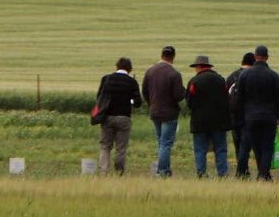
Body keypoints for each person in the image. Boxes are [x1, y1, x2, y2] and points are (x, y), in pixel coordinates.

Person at [237, 45, 279, 180]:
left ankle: (262, 173)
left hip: (251, 116)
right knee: (267, 146)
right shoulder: (273, 75)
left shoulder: (245, 74)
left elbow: (240, 98)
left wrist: (242, 116)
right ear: (267, 58)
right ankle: (264, 174)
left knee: (256, 146)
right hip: (269, 116)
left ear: (255, 56)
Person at [95, 57, 142, 175]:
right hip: (124, 117)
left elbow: (99, 98)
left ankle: (103, 171)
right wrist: (129, 101)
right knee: (121, 148)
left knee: (105, 146)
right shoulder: (132, 82)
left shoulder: (106, 79)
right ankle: (119, 172)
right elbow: (138, 103)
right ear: (129, 69)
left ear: (117, 67)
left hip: (107, 117)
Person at [143, 45, 185, 177]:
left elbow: (144, 91)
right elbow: (179, 95)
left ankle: (164, 169)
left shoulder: (150, 71)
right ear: (173, 57)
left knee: (161, 142)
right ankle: (163, 171)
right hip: (169, 113)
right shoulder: (174, 74)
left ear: (161, 55)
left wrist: (152, 103)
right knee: (166, 143)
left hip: (155, 111)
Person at [186, 55, 231, 178]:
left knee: (200, 149)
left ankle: (201, 173)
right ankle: (222, 173)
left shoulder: (194, 82)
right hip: (219, 122)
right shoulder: (221, 80)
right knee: (220, 149)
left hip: (199, 122)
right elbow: (227, 100)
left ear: (199, 67)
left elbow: (189, 103)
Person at [226, 52, 254, 177]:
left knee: (239, 145)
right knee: (249, 145)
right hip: (249, 115)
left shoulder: (232, 76)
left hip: (234, 116)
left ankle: (242, 170)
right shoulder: (253, 76)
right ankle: (244, 171)